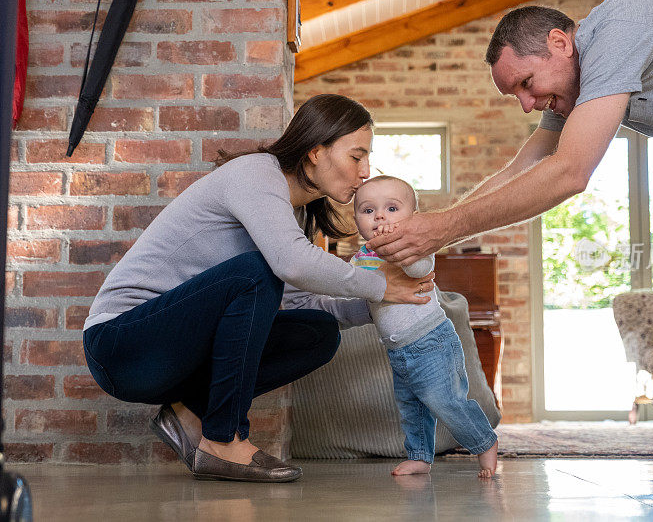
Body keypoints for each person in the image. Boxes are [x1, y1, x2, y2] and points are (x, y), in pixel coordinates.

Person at [367, 0, 653, 479]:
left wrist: (439, 228)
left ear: (560, 43)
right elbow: (523, 168)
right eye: (518, 96)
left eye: (526, 84)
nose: (528, 105)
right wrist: (436, 228)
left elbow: (569, 172)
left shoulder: (614, 33)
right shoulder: (580, 81)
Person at [82, 94, 434, 483]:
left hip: (174, 356)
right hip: (121, 344)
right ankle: (222, 439)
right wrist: (379, 285)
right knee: (253, 272)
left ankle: (191, 414)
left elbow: (300, 300)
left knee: (317, 333)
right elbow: (292, 263)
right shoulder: (256, 173)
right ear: (316, 151)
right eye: (356, 156)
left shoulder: (294, 212)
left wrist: (387, 303)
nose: (366, 171)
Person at [351, 176, 499, 477]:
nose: (380, 216)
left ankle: (484, 442)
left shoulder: (415, 248)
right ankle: (419, 456)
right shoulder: (362, 257)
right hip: (398, 350)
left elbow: (419, 269)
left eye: (392, 208)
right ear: (356, 220)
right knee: (411, 407)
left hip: (431, 341)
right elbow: (350, 286)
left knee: (444, 400)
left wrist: (395, 248)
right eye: (368, 211)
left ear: (414, 218)